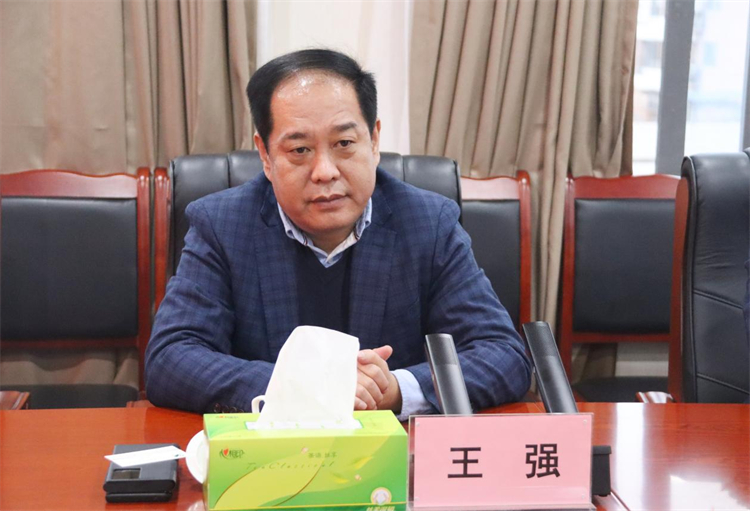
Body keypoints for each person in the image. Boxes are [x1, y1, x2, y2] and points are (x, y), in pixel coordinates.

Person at [145, 49, 531, 418]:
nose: (325, 172)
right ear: (265, 155)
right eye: (300, 150)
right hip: (273, 451)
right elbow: (170, 359)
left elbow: (503, 355)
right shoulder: (222, 224)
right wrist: (310, 386)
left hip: (393, 452)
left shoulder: (429, 223)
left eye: (344, 144)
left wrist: (395, 389)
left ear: (374, 141)